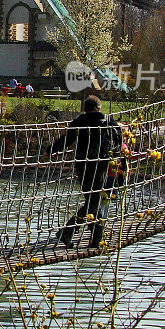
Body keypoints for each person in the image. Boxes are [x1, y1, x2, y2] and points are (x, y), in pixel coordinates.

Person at [48, 95, 122, 248]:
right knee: (94, 200)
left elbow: (67, 140)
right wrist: (116, 156)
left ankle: (93, 237)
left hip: (83, 164)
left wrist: (50, 150)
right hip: (101, 164)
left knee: (92, 199)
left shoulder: (79, 121)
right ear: (99, 107)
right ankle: (79, 234)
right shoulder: (108, 121)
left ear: (84, 108)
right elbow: (118, 140)